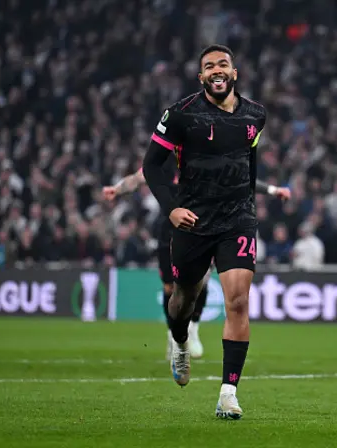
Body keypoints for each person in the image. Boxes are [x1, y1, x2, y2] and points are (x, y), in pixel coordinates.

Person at [142, 44, 267, 420]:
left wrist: (248, 207)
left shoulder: (255, 116)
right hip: (193, 220)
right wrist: (172, 208)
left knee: (238, 301)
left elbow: (251, 164)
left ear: (234, 72)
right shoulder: (181, 114)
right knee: (184, 300)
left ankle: (228, 392)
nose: (216, 69)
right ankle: (180, 342)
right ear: (201, 77)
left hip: (237, 220)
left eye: (223, 64)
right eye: (209, 65)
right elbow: (152, 165)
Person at [102, 166, 289, 360]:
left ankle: (194, 328)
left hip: (200, 229)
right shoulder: (163, 161)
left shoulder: (201, 157)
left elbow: (242, 179)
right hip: (169, 232)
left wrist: (272, 190)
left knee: (202, 280)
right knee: (169, 288)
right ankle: (173, 335)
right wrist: (117, 189)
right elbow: (137, 178)